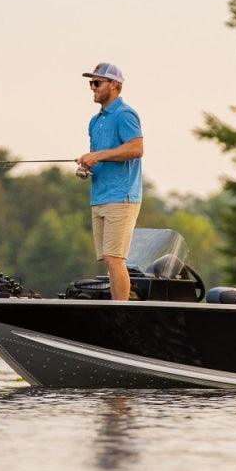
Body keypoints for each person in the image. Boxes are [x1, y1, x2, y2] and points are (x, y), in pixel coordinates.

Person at [76, 62, 144, 301]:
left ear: (114, 85)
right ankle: (119, 307)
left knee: (115, 258)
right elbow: (101, 157)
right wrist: (88, 164)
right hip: (100, 196)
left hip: (122, 196)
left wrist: (99, 155)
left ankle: (122, 313)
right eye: (91, 83)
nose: (92, 88)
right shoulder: (94, 122)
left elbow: (136, 149)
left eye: (97, 83)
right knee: (108, 259)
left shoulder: (125, 114)